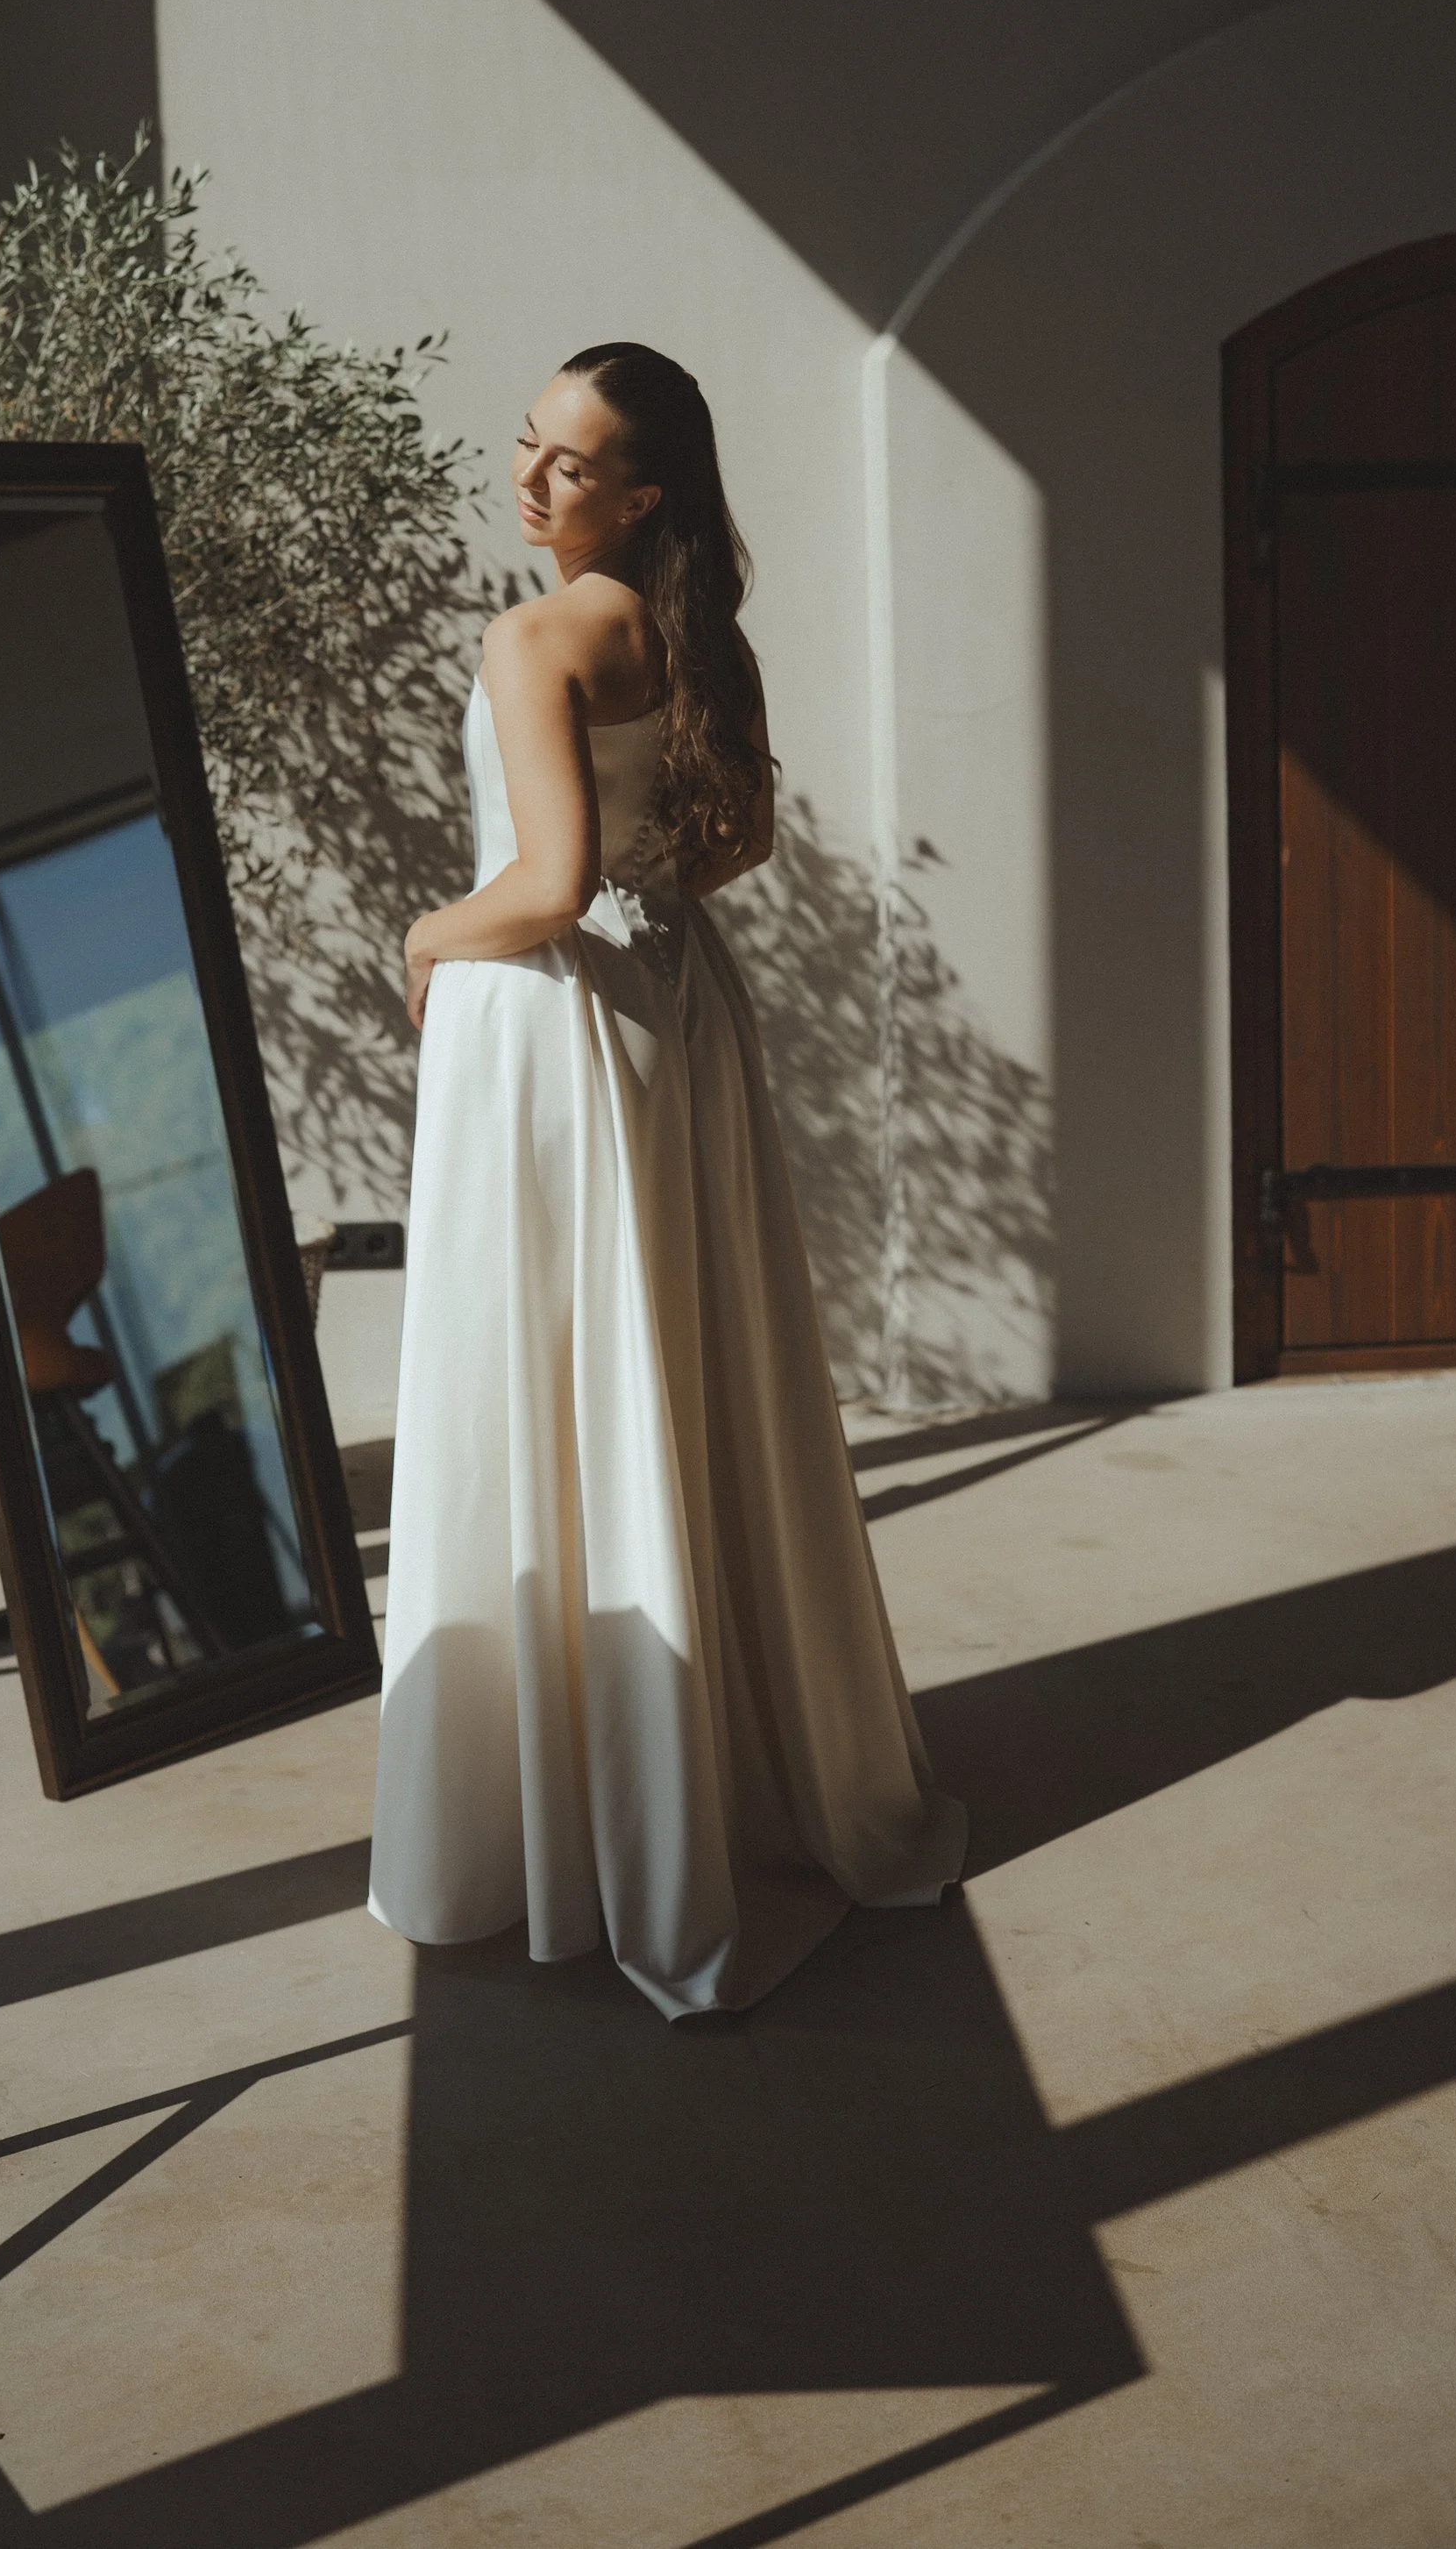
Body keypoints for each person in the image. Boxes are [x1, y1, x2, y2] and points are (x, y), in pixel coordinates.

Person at [367, 342, 966, 2019]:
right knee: (677, 1374)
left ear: (640, 492)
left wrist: (429, 927)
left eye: (569, 465)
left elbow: (544, 884)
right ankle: (712, 1773)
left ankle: (566, 1811)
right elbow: (737, 844)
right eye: (527, 447)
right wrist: (644, 896)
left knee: (547, 1387)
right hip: (676, 1022)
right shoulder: (699, 632)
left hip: (551, 1039)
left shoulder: (535, 632)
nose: (534, 480)